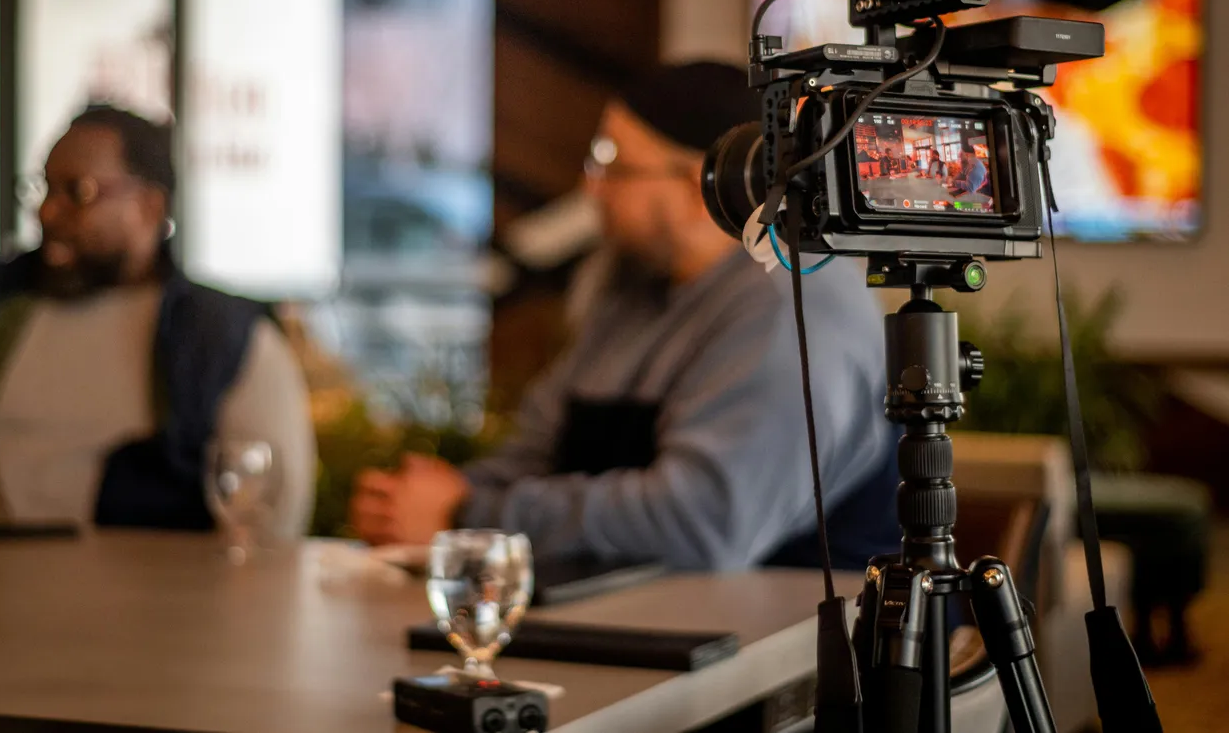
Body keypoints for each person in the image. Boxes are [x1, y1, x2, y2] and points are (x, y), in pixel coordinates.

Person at [350, 62, 900, 572]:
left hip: (796, 638)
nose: (591, 187)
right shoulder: (629, 288)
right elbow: (541, 449)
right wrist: (422, 500)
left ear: (699, 187)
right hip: (635, 621)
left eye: (612, 164)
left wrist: (468, 515)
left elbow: (705, 521)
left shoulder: (794, 303)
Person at [0, 104, 316, 536]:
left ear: (150, 206)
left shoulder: (222, 336)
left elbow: (269, 515)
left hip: (146, 579)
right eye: (43, 189)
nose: (47, 213)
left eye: (78, 192)